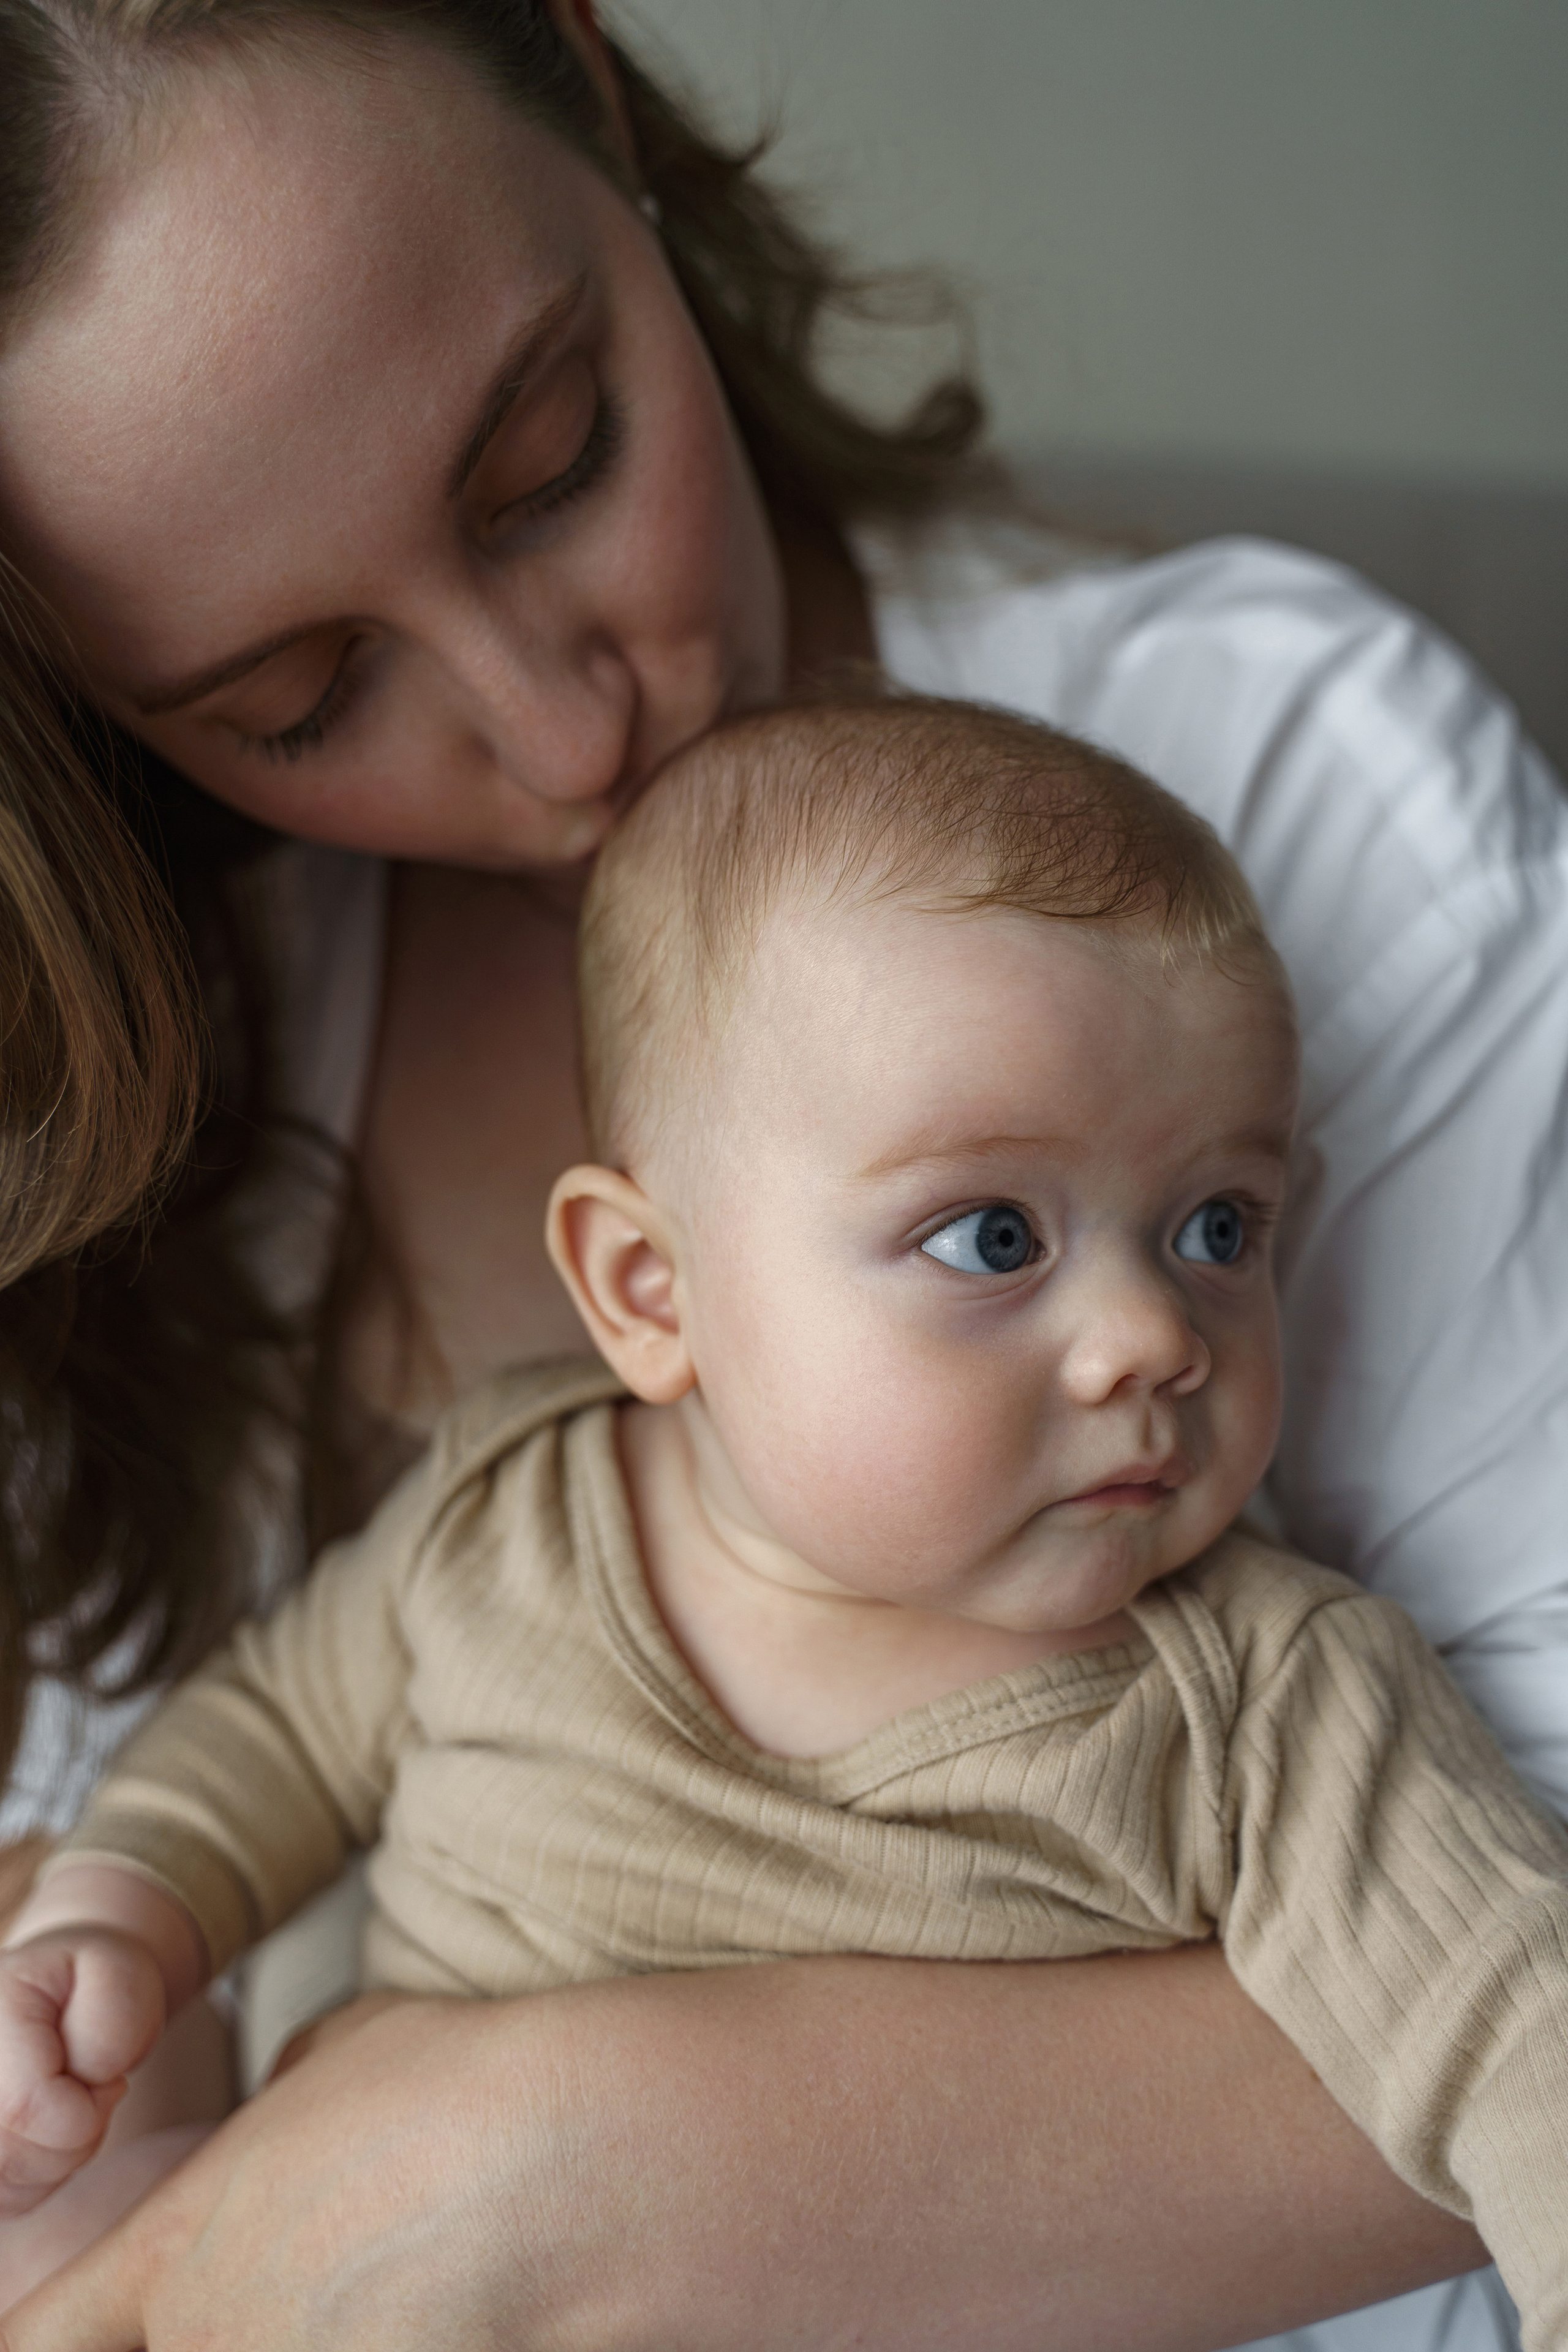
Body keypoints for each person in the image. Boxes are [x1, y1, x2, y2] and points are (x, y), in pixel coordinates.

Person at [0, 1, 1560, 2345]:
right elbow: (236, 1760)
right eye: (298, 699)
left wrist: (565, 2173)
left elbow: (1508, 1950)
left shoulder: (1303, 799)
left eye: (550, 460)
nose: (562, 733)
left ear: (592, 98)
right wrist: (111, 1973)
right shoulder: (383, 1372)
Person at [4, 696, 1568, 2346]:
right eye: (991, 1238)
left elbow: (1510, 2016)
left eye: (1215, 1225)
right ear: (650, 1290)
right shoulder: (508, 1516)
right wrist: (132, 1907)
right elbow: (277, 1733)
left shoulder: (1265, 1699)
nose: (1157, 1338)